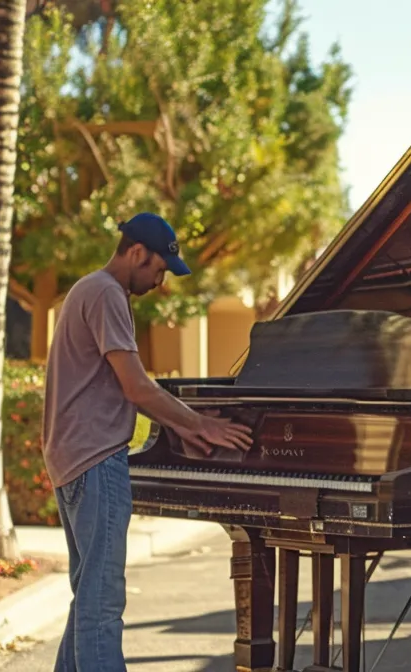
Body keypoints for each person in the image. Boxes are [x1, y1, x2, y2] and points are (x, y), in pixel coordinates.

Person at [43, 212, 253, 670]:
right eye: (159, 269)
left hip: (72, 458)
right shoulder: (106, 293)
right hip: (96, 460)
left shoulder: (88, 290)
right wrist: (200, 424)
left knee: (88, 597)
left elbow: (123, 386)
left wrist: (183, 424)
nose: (160, 281)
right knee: (102, 604)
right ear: (136, 252)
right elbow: (136, 386)